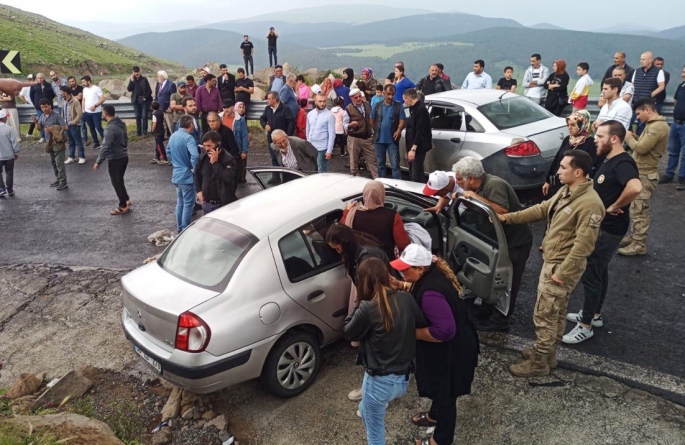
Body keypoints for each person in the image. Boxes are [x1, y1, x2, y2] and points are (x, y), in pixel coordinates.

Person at [501, 150, 605, 377]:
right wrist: (508, 218)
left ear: (578, 172)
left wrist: (563, 272)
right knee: (555, 313)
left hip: (560, 267)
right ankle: (548, 355)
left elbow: (584, 246)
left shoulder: (590, 204)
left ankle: (538, 363)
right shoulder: (567, 191)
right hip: (555, 262)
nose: (558, 171)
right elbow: (542, 209)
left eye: (563, 168)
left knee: (545, 315)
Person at [388, 244, 479, 445]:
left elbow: (444, 331)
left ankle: (440, 439)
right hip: (454, 346)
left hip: (452, 352)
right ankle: (433, 415)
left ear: (421, 268)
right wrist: (401, 285)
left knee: (446, 394)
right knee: (441, 389)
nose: (401, 271)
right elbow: (416, 287)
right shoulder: (432, 275)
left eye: (406, 268)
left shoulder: (430, 294)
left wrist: (410, 333)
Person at [563, 120, 641, 344]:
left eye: (599, 136)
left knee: (592, 272)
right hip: (604, 226)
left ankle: (585, 325)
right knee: (600, 270)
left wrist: (615, 206)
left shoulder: (623, 162)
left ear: (614, 139)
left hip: (609, 229)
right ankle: (593, 314)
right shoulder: (610, 160)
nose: (595, 139)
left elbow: (635, 187)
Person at [343, 257, 424, 445]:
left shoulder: (367, 307)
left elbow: (348, 332)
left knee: (375, 435)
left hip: (379, 381)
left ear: (363, 280)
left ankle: (369, 411)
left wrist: (359, 301)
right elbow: (420, 322)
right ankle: (367, 411)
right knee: (367, 410)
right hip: (403, 378)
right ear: (387, 276)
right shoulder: (405, 298)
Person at [453, 156, 533, 332]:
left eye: (459, 178)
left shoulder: (494, 185)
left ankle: (500, 320)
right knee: (495, 277)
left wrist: (474, 197)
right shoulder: (480, 185)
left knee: (508, 281)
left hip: (515, 242)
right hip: (498, 241)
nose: (457, 182)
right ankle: (490, 309)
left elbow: (502, 210)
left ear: (471, 179)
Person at [618, 98, 669, 256]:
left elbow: (641, 149)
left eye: (639, 113)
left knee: (640, 209)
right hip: (641, 171)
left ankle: (639, 244)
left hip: (646, 174)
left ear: (648, 110)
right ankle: (634, 236)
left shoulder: (657, 127)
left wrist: (628, 137)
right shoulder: (652, 126)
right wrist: (635, 136)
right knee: (635, 208)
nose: (637, 117)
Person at [341, 181, 411, 261]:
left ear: (364, 195)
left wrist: (347, 210)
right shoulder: (392, 215)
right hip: (385, 263)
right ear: (382, 195)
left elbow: (341, 232)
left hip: (362, 263)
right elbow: (403, 244)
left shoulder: (352, 214)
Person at [542, 111, 600, 197]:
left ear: (582, 125)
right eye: (568, 125)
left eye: (573, 125)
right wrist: (548, 180)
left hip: (575, 185)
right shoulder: (567, 140)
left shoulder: (591, 143)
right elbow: (557, 160)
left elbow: (593, 166)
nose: (569, 128)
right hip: (560, 182)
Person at [93, 105, 131, 215]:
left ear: (104, 114)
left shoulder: (110, 129)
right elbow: (126, 138)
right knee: (120, 180)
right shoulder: (121, 124)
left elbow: (106, 146)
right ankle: (126, 199)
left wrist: (98, 161)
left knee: (116, 182)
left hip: (115, 159)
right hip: (124, 156)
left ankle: (122, 206)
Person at [167, 115, 200, 233]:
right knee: (188, 204)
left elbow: (168, 152)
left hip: (176, 174)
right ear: (191, 125)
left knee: (180, 202)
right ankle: (185, 228)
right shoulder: (189, 138)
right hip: (186, 176)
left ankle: (179, 227)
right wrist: (193, 168)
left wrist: (175, 163)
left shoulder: (173, 136)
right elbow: (195, 155)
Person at [194, 130, 237, 214]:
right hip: (206, 204)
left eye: (209, 146)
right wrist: (199, 191)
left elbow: (228, 178)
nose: (206, 149)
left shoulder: (228, 159)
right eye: (205, 146)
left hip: (222, 205)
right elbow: (197, 175)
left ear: (218, 144)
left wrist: (215, 163)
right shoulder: (203, 158)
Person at [371, 84, 405, 179]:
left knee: (395, 165)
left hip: (392, 140)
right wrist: (377, 130)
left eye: (392, 94)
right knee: (380, 164)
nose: (390, 96)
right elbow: (372, 119)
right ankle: (383, 185)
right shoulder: (377, 105)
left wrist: (398, 130)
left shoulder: (398, 105)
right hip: (379, 140)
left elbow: (402, 120)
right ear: (384, 93)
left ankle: (398, 186)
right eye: (388, 94)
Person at [33, 99, 68, 190]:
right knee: (53, 163)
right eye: (42, 107)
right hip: (49, 143)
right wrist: (36, 123)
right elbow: (40, 128)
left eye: (46, 106)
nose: (44, 109)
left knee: (59, 163)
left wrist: (52, 129)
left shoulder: (56, 116)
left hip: (58, 142)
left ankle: (63, 182)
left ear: (50, 106)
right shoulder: (42, 116)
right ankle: (58, 179)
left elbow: (65, 127)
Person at [660, 66, 685, 190]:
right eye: (683, 71)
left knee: (684, 153)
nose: (682, 74)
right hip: (676, 123)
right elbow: (675, 101)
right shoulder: (681, 86)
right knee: (673, 151)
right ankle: (669, 174)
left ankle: (682, 178)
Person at [631, 52, 666, 136]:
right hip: (635, 102)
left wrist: (650, 95)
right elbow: (632, 84)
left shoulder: (658, 72)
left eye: (643, 59)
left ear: (650, 60)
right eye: (640, 59)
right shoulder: (637, 71)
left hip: (646, 104)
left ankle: (641, 143)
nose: (641, 61)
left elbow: (661, 86)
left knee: (642, 125)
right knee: (629, 122)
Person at [345, 88, 377, 178]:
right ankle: (356, 180)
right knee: (354, 161)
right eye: (356, 97)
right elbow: (344, 125)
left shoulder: (367, 105)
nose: (359, 99)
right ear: (352, 98)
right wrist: (350, 125)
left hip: (367, 137)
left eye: (360, 96)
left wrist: (373, 133)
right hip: (355, 138)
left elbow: (371, 119)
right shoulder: (348, 109)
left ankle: (378, 180)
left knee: (373, 160)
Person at [403, 88, 431, 183]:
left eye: (405, 100)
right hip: (410, 145)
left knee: (416, 174)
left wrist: (413, 149)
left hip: (418, 147)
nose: (405, 102)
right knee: (411, 173)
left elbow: (420, 130)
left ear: (409, 98)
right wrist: (408, 149)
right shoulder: (412, 109)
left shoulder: (421, 110)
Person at [260, 91, 295, 166]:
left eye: (269, 99)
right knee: (274, 158)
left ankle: (285, 176)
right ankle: (275, 176)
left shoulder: (285, 109)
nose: (267, 101)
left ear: (274, 99)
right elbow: (262, 119)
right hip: (271, 139)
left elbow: (291, 122)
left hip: (282, 140)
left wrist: (288, 135)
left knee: (284, 159)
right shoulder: (268, 109)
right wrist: (265, 125)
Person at [307, 94, 336, 172]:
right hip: (311, 147)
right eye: (320, 101)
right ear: (315, 101)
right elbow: (308, 130)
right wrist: (308, 145)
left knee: (322, 172)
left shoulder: (329, 115)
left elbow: (332, 134)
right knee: (312, 171)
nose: (322, 103)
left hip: (322, 148)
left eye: (324, 101)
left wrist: (329, 150)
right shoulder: (310, 114)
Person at [59, 86, 86, 165]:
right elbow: (63, 113)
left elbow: (79, 113)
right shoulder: (63, 101)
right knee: (70, 141)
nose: (61, 93)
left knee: (78, 141)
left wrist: (74, 122)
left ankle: (82, 157)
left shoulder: (75, 101)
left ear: (65, 92)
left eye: (62, 92)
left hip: (74, 124)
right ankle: (71, 157)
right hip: (66, 124)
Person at [29, 73, 56, 142]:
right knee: (40, 121)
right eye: (38, 78)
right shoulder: (34, 86)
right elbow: (31, 96)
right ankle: (43, 136)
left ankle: (51, 135)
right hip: (39, 107)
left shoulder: (49, 85)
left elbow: (53, 95)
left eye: (41, 78)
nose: (39, 79)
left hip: (48, 107)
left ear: (44, 78)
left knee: (49, 120)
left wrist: (48, 101)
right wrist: (35, 104)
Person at [127, 66, 152, 136]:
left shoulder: (144, 79)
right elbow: (129, 89)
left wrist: (145, 97)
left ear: (140, 71)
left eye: (137, 71)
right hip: (135, 100)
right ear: (133, 72)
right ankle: (138, 132)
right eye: (135, 72)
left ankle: (145, 131)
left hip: (143, 100)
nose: (136, 73)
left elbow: (149, 91)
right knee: (138, 116)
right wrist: (131, 81)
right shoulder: (132, 79)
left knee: (144, 116)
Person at [0, 110, 19, 198]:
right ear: (4, 118)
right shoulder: (9, 129)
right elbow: (14, 142)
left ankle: (1, 188)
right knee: (9, 172)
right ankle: (10, 190)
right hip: (9, 155)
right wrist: (16, 152)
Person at [154, 71, 177, 137]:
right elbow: (157, 95)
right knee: (163, 124)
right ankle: (166, 135)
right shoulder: (158, 84)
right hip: (160, 108)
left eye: (158, 76)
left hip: (167, 108)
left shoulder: (171, 84)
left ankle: (174, 136)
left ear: (162, 77)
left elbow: (173, 97)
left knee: (170, 124)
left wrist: (171, 107)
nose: (157, 78)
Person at [233, 102, 249, 183]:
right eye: (239, 107)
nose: (242, 109)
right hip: (235, 145)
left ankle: (241, 178)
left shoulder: (243, 118)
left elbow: (244, 135)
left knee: (242, 162)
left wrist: (244, 149)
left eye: (243, 107)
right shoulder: (236, 120)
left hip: (241, 145)